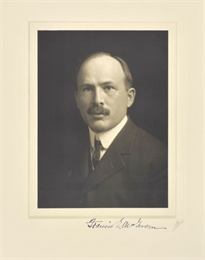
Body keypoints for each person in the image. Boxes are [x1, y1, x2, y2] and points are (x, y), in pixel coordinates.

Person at [39, 52, 168, 208]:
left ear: (130, 97)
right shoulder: (56, 154)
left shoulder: (159, 159)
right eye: (87, 89)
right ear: (77, 99)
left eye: (108, 87)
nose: (97, 99)